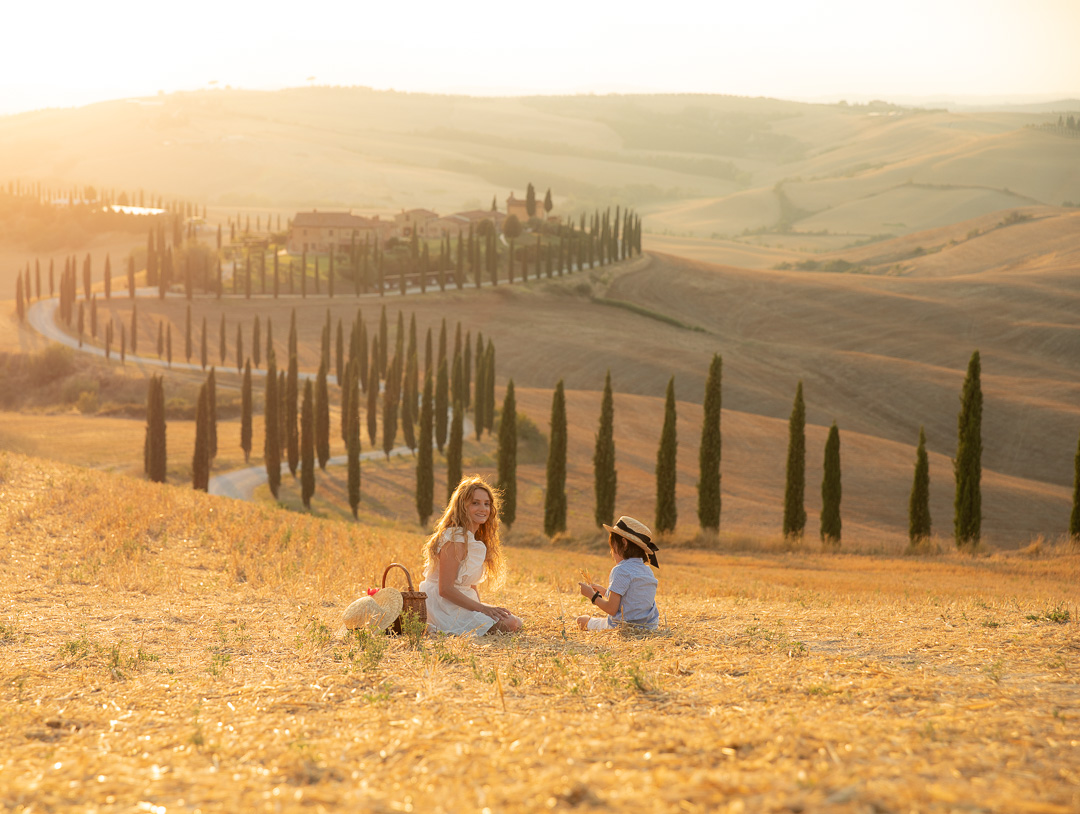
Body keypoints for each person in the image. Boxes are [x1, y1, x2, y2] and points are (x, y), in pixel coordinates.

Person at [419, 476, 523, 635]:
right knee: (510, 623)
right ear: (462, 507)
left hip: (461, 603)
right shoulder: (455, 539)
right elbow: (445, 589)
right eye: (475, 503)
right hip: (442, 606)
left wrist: (482, 612)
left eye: (486, 504)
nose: (483, 508)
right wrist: (483, 610)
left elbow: (471, 585)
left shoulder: (473, 539)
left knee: (515, 621)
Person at [577, 516, 660, 631]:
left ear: (624, 543)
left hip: (623, 627)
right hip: (649, 627)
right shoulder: (648, 571)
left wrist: (591, 595)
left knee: (582, 620)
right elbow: (632, 599)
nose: (611, 552)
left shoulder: (621, 570)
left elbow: (611, 609)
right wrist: (606, 592)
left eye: (612, 547)